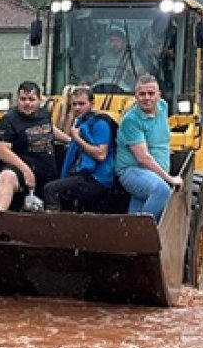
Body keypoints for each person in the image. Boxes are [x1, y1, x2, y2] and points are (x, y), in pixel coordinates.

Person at [115, 74, 183, 222]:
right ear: (136, 96)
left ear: (159, 95)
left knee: (136, 213)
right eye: (142, 94)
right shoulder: (131, 120)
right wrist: (170, 179)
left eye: (151, 93)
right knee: (161, 191)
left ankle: (131, 237)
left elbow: (160, 138)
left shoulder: (163, 106)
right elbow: (143, 158)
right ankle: (142, 234)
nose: (147, 98)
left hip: (152, 172)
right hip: (133, 171)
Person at [42, 87, 114, 212]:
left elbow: (101, 155)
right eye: (74, 104)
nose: (77, 108)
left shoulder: (100, 124)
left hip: (96, 178)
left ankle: (54, 225)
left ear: (92, 104)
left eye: (81, 104)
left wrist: (77, 139)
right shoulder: (81, 123)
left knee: (51, 190)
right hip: (84, 175)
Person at [0, 81, 57, 211]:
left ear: (39, 99)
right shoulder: (9, 120)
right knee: (7, 176)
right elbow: (1, 150)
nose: (27, 103)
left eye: (31, 99)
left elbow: (49, 129)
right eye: (23, 99)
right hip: (20, 171)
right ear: (17, 99)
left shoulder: (45, 114)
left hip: (48, 175)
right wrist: (26, 171)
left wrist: (70, 140)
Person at [94, 26, 142, 93]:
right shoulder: (103, 59)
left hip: (127, 93)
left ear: (124, 42)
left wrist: (134, 70)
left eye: (117, 41)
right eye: (112, 41)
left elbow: (142, 75)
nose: (114, 44)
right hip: (105, 93)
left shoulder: (132, 58)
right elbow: (96, 76)